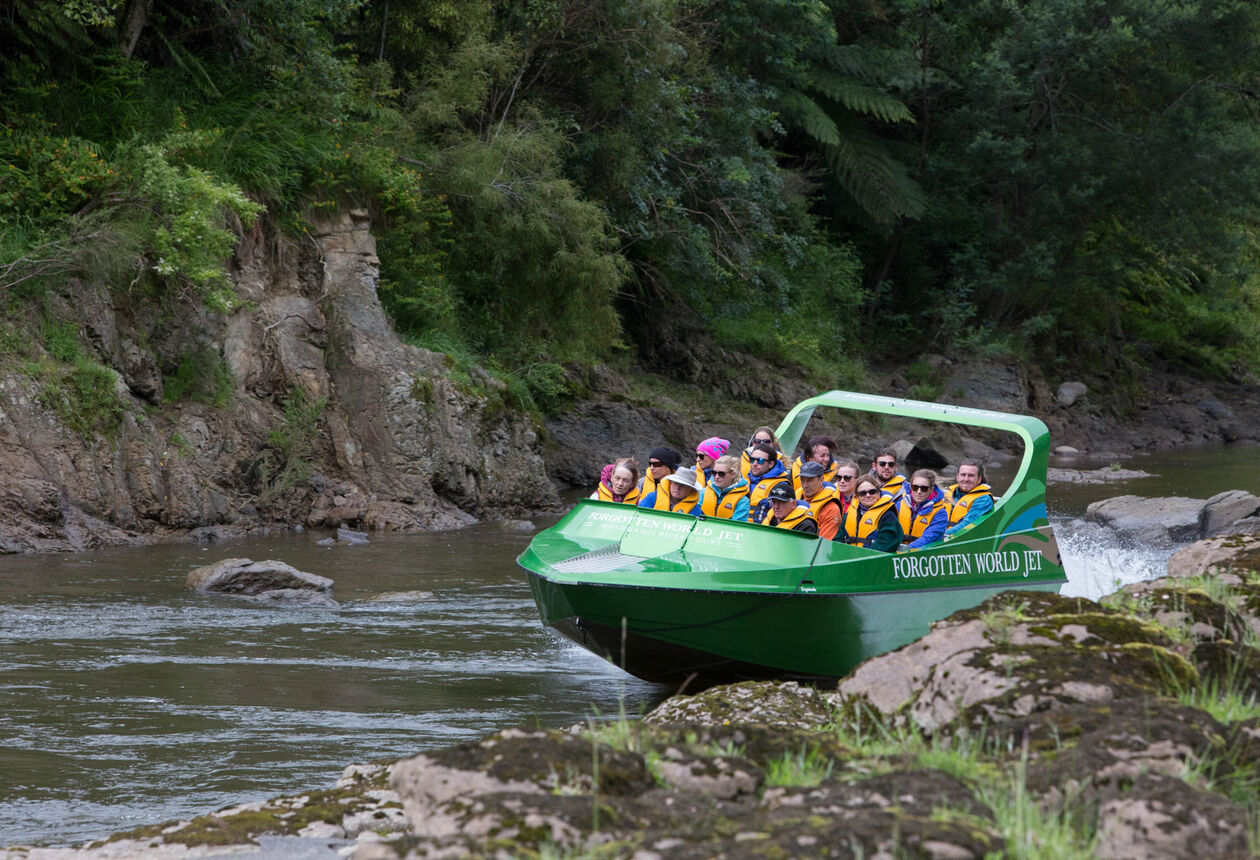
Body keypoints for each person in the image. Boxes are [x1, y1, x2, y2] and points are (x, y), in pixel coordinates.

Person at [841, 475, 903, 552]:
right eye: (863, 493)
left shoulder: (888, 515)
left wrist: (863, 557)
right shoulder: (850, 513)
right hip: (848, 556)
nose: (868, 495)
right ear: (857, 496)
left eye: (872, 492)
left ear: (878, 493)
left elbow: (887, 542)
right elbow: (838, 537)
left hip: (873, 559)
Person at [897, 469, 949, 549]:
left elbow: (929, 538)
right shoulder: (899, 505)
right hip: (896, 551)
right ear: (911, 487)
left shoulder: (940, 513)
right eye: (915, 487)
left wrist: (906, 550)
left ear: (931, 489)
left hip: (922, 554)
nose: (919, 491)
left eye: (924, 488)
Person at [945, 459, 994, 538]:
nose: (966, 479)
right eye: (963, 475)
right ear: (957, 476)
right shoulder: (948, 494)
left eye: (971, 475)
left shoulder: (983, 499)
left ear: (979, 479)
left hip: (963, 541)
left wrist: (942, 535)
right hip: (940, 540)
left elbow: (968, 524)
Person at [745, 441, 791, 524]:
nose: (754, 464)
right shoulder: (742, 481)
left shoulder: (781, 485)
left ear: (771, 464)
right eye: (752, 460)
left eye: (760, 461)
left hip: (763, 531)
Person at [797, 460, 841, 541]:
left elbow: (823, 543)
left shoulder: (831, 509)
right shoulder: (795, 498)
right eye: (802, 480)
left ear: (821, 480)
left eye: (810, 480)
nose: (805, 485)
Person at [698, 454, 750, 521]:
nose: (716, 477)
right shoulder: (703, 493)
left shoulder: (743, 501)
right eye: (714, 472)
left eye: (721, 474)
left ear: (733, 474)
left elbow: (737, 528)